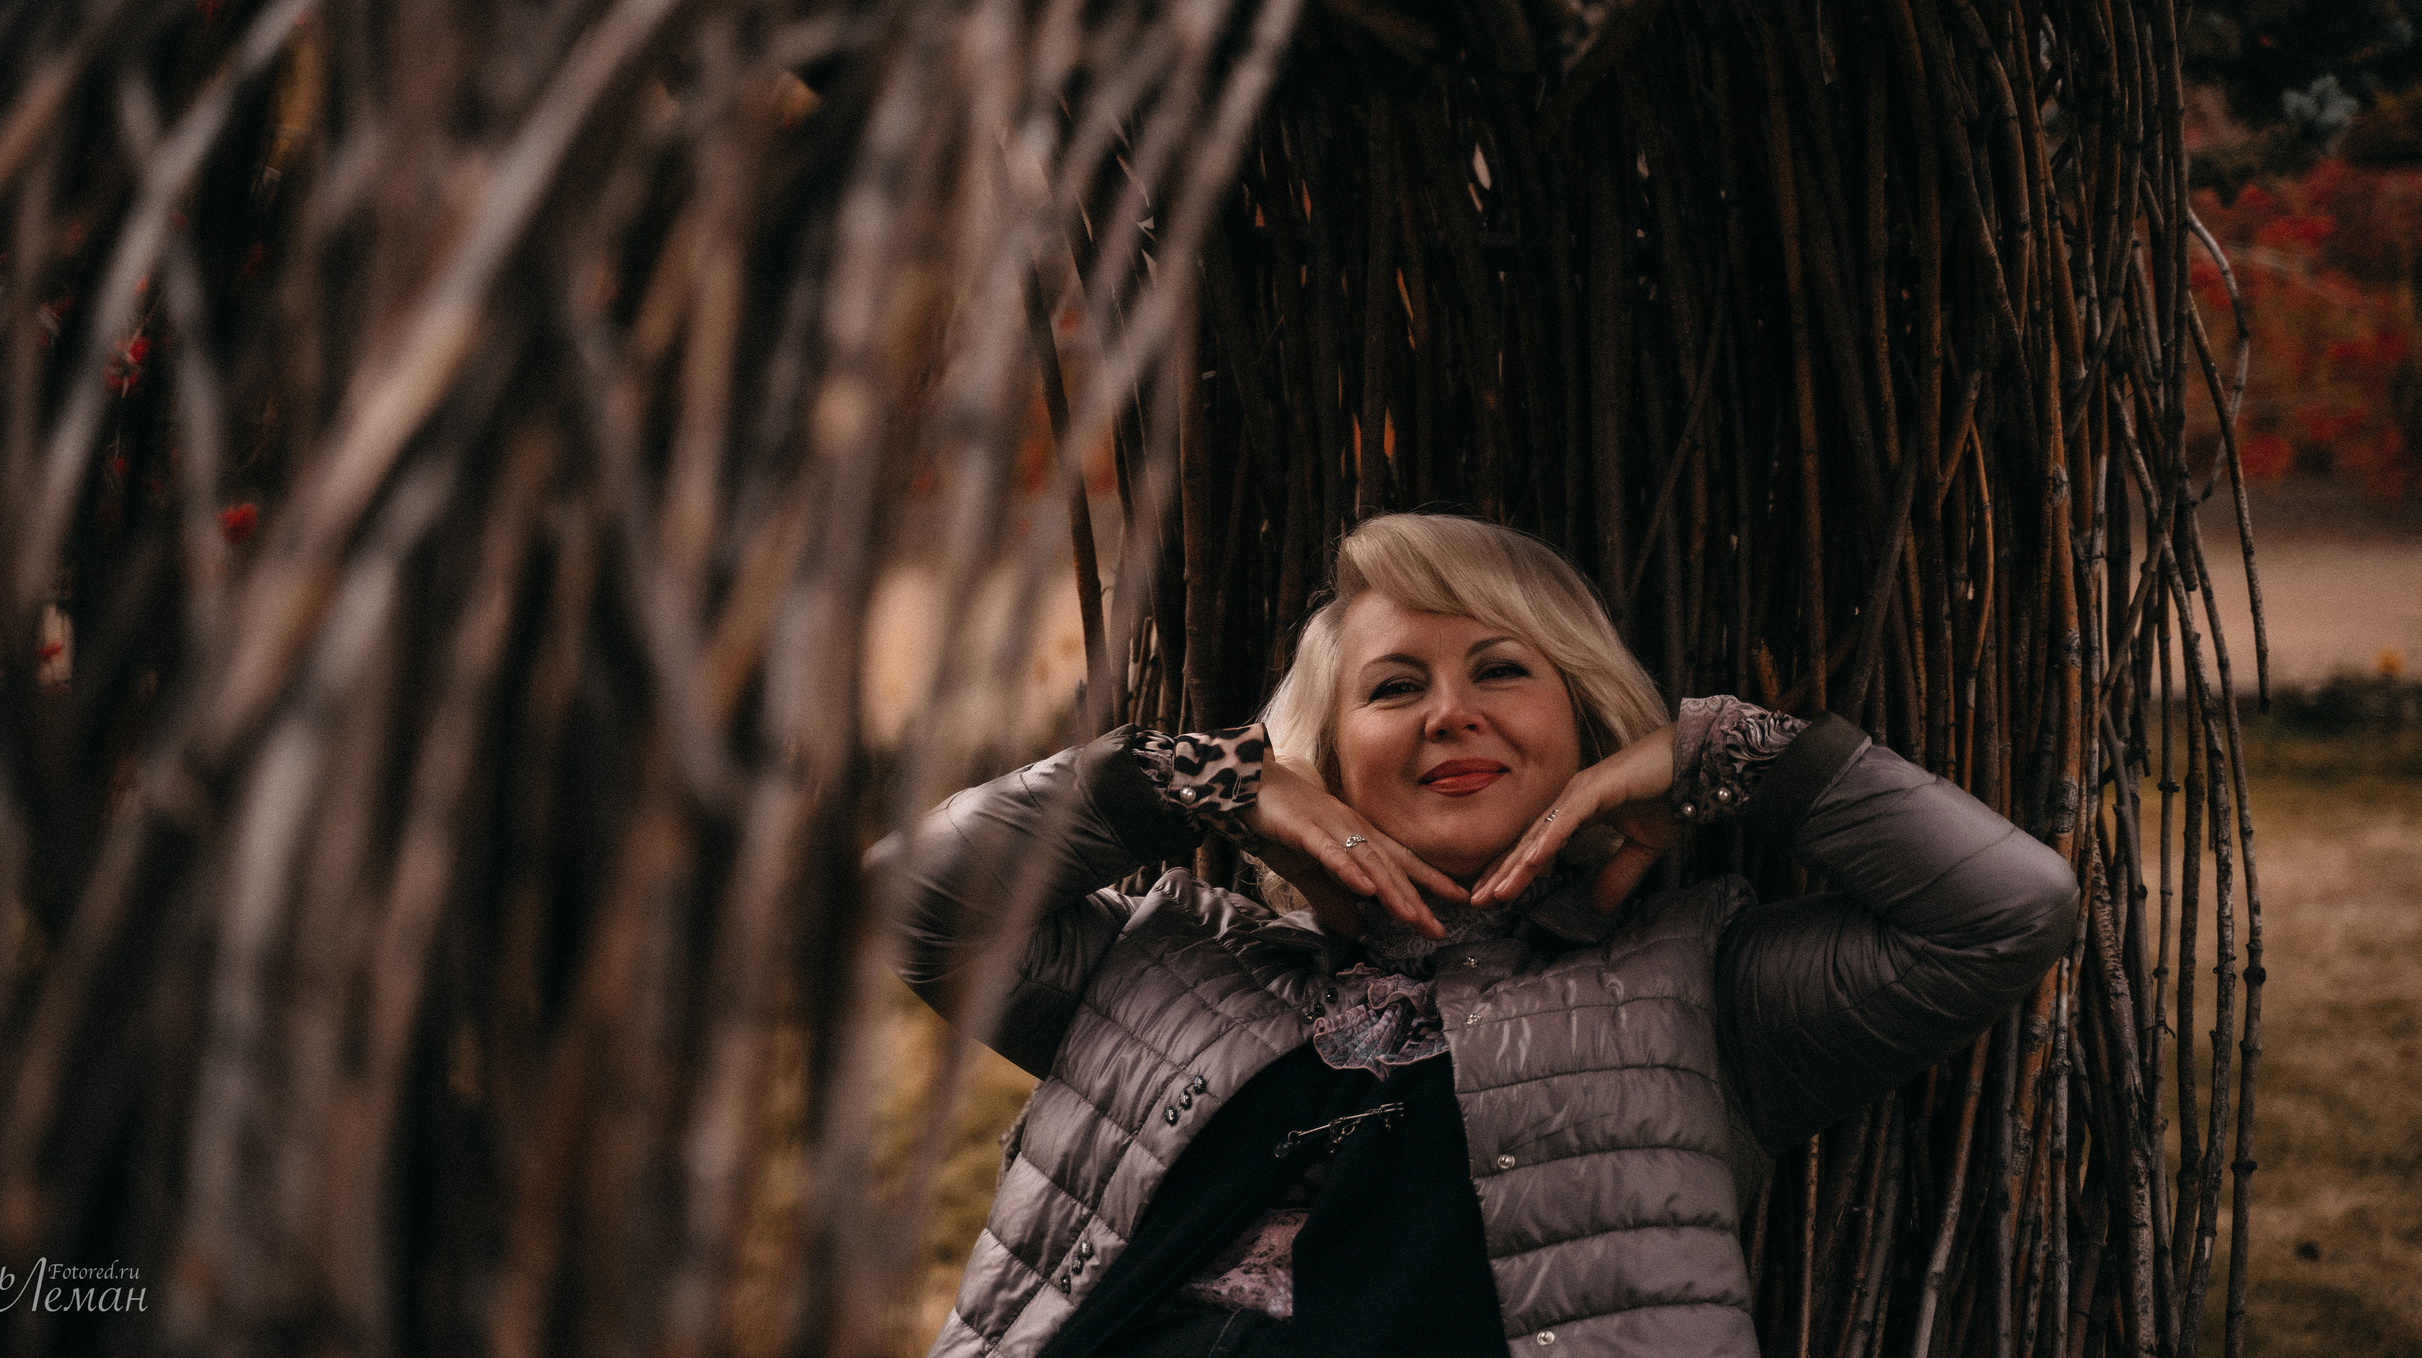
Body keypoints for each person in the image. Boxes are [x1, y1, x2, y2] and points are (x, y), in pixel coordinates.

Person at [873, 513, 2078, 1358]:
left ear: (1587, 724)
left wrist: (1727, 755)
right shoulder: (1172, 963)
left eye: (1502, 671)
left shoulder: (1690, 991)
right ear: (1325, 758)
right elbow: (906, 904)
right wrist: (1170, 777)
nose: (1451, 712)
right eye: (1394, 688)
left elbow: (2005, 911)